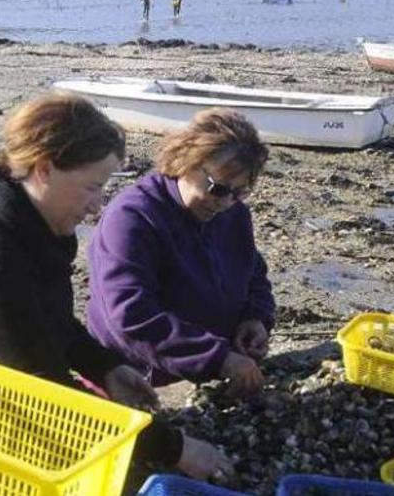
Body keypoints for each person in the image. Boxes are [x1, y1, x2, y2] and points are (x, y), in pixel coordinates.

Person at [0, 93, 234, 482]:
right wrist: (175, 449)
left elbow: (50, 322)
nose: (96, 206)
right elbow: (47, 392)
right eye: (92, 187)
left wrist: (107, 367)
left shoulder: (39, 226)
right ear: (44, 169)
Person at [86, 108, 274, 397]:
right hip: (135, 379)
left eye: (240, 192)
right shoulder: (132, 218)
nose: (226, 202)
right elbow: (131, 316)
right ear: (185, 161)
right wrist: (219, 358)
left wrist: (255, 317)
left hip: (214, 368)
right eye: (218, 189)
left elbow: (253, 274)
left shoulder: (234, 215)